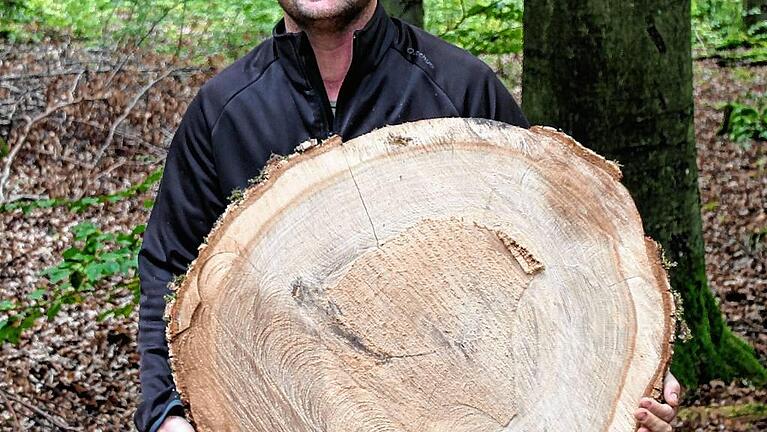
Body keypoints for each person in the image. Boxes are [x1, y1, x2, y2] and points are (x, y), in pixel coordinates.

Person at [134, 1, 682, 431]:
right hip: (275, 403)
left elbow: (562, 254)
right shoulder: (222, 110)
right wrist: (165, 413)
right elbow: (169, 266)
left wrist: (635, 375)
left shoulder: (461, 88)